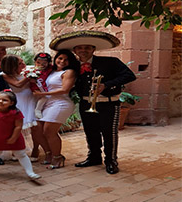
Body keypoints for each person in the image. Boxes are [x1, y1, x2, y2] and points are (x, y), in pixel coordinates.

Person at [49, 30, 136, 174]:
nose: (83, 50)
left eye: (87, 48)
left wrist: (106, 85)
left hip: (108, 103)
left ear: (93, 49)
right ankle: (94, 157)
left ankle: (111, 161)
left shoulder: (110, 62)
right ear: (75, 50)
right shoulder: (73, 66)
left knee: (109, 133)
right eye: (80, 48)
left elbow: (129, 75)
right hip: (86, 103)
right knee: (91, 132)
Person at [33, 49, 80, 169]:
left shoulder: (69, 72)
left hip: (61, 103)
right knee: (37, 129)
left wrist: (42, 94)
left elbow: (65, 90)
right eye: (60, 58)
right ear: (55, 59)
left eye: (66, 59)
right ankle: (49, 154)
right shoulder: (52, 71)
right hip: (48, 103)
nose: (62, 61)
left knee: (49, 131)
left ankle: (58, 157)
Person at [0, 54, 44, 161]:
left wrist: (32, 75)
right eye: (19, 63)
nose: (23, 64)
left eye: (22, 61)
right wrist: (30, 76)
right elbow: (18, 85)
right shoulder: (5, 75)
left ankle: (35, 149)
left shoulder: (27, 71)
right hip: (18, 102)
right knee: (16, 128)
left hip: (31, 100)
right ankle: (16, 151)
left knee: (35, 127)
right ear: (12, 66)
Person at [28, 53, 53, 119]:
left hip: (44, 87)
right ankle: (36, 110)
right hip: (35, 87)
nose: (41, 65)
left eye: (44, 63)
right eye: (38, 62)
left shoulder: (48, 70)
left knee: (45, 97)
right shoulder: (32, 70)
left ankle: (38, 109)